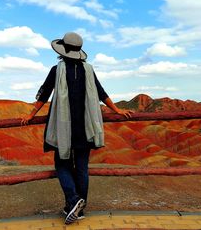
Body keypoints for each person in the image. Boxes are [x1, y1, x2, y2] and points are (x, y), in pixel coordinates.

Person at [21, 32, 133, 225]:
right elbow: (100, 92)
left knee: (62, 165)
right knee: (81, 168)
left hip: (63, 128)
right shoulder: (88, 70)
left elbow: (44, 94)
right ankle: (78, 211)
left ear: (62, 51)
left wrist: (30, 115)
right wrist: (116, 109)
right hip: (85, 127)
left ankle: (73, 201)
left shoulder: (56, 70)